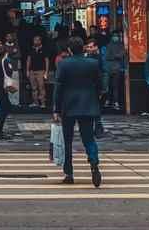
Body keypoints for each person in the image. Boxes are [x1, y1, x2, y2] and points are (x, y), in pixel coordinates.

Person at [53, 36, 104, 187]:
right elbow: (100, 85)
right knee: (88, 138)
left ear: (69, 49)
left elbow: (58, 87)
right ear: (83, 48)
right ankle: (94, 163)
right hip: (88, 104)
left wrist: (56, 108)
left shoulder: (63, 64)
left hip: (68, 106)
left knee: (67, 140)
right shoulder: (93, 63)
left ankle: (69, 173)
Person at [25, 35, 50, 110]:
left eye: (36, 40)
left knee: (41, 87)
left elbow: (47, 61)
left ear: (40, 41)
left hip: (41, 71)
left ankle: (43, 103)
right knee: (33, 88)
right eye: (34, 40)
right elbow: (28, 60)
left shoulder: (44, 49)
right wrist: (27, 70)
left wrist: (46, 72)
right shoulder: (31, 49)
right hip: (32, 71)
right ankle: (35, 102)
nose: (35, 41)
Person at [103, 33, 126, 111]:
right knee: (109, 86)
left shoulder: (120, 45)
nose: (115, 38)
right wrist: (116, 56)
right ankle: (109, 101)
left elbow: (120, 55)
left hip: (116, 68)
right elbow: (107, 56)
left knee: (114, 86)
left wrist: (114, 56)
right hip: (112, 67)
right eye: (114, 36)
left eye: (116, 36)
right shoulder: (109, 45)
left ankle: (114, 102)